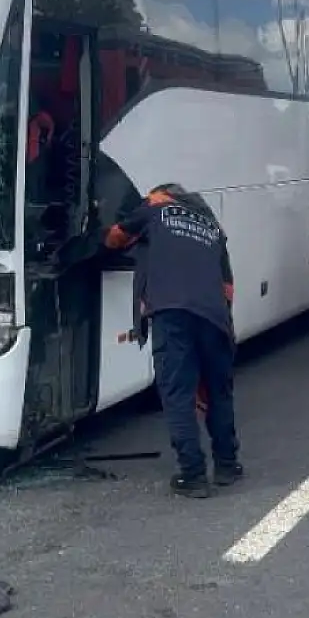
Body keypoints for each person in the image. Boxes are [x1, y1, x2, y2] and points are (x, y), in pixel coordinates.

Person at [103, 183, 242, 498]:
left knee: (178, 394)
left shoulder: (154, 207)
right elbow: (228, 286)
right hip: (215, 316)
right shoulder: (212, 225)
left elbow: (116, 237)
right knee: (218, 393)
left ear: (162, 194)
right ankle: (227, 465)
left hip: (172, 312)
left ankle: (193, 475)